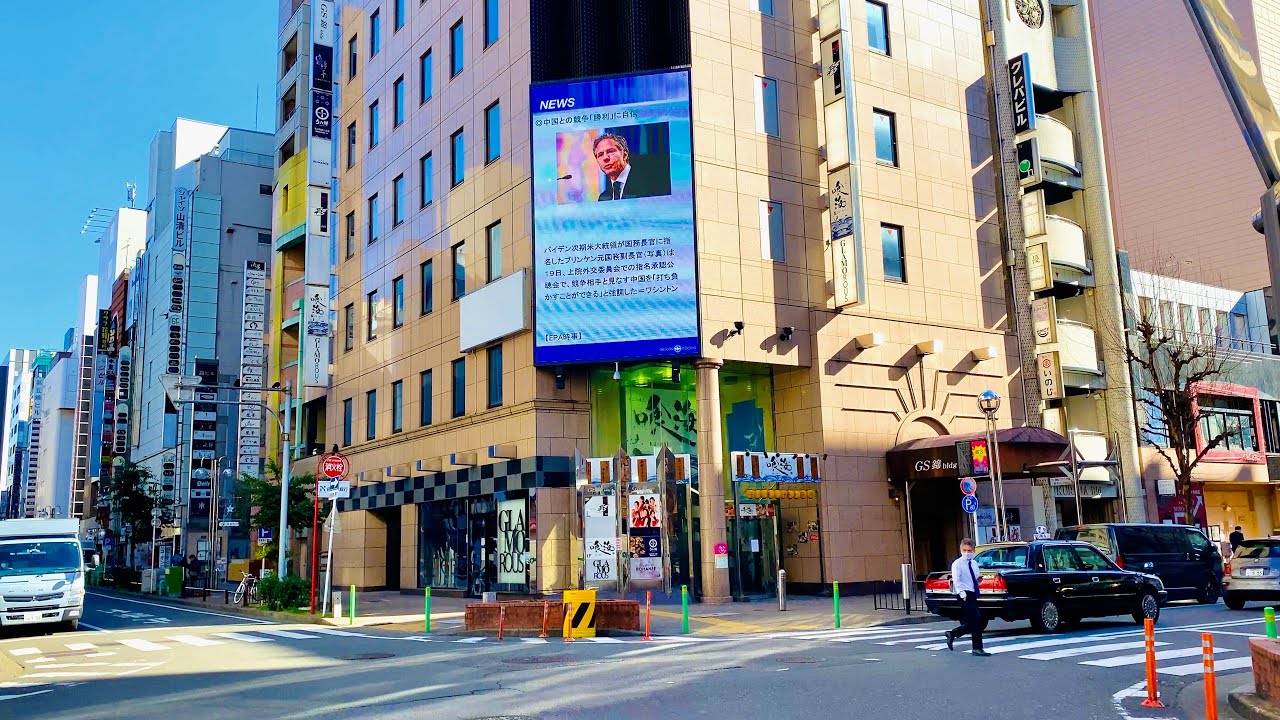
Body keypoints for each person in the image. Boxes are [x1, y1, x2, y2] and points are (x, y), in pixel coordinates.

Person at [945, 538, 991, 656]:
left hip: (972, 593)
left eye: (969, 550)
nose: (967, 553)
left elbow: (974, 579)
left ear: (973, 551)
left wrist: (978, 581)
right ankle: (977, 648)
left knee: (974, 621)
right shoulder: (957, 564)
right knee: (976, 620)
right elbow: (957, 580)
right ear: (961, 550)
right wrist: (962, 594)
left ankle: (953, 633)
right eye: (964, 550)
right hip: (964, 594)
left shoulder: (974, 563)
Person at [592, 133, 670, 201]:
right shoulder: (603, 197)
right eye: (600, 155)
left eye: (610, 151)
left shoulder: (652, 182)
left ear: (625, 155)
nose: (605, 158)